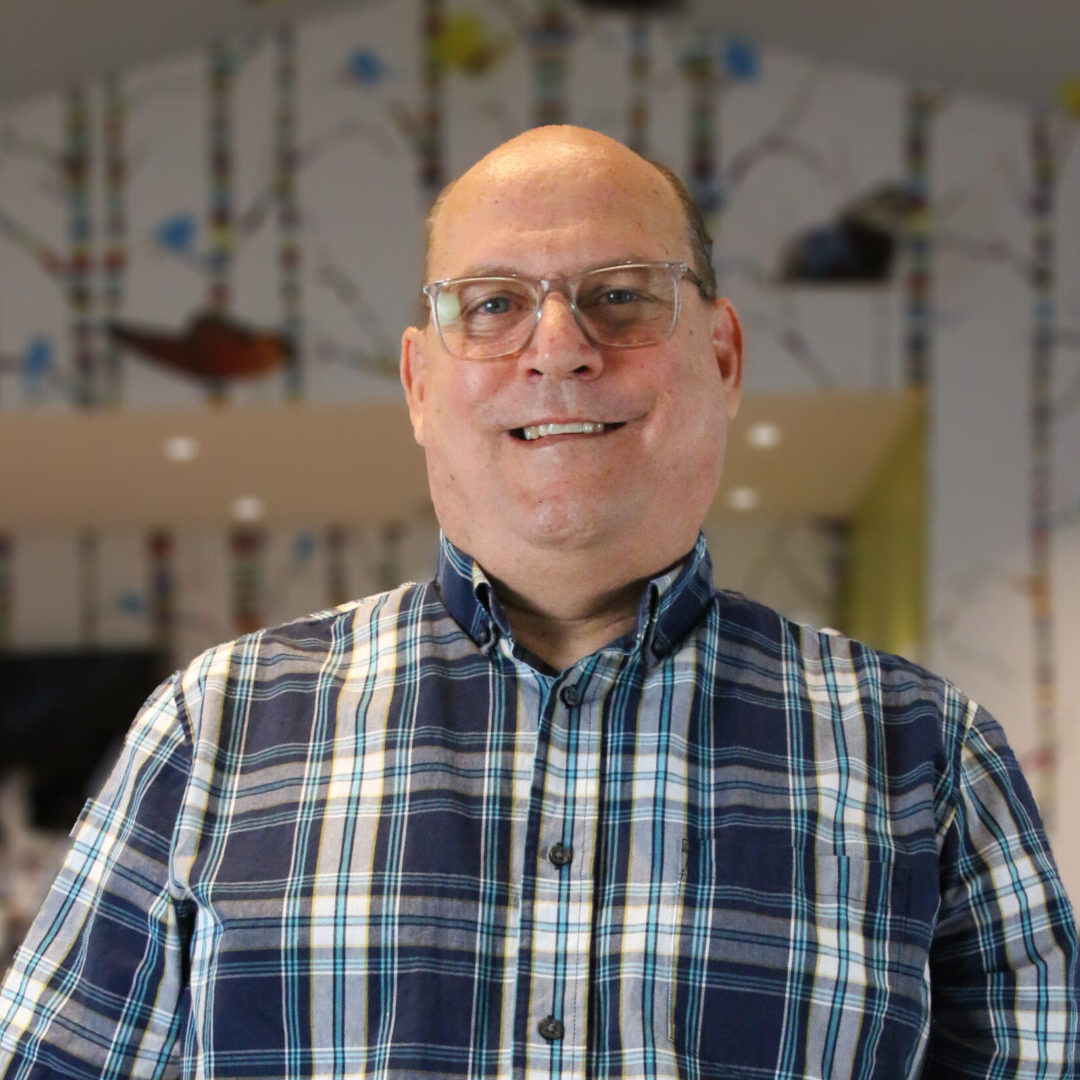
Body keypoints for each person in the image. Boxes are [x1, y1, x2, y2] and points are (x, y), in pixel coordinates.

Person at [1, 125, 1076, 1080]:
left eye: (620, 295)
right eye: (495, 304)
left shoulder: (928, 757)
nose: (558, 346)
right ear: (421, 386)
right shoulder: (215, 729)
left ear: (723, 355)